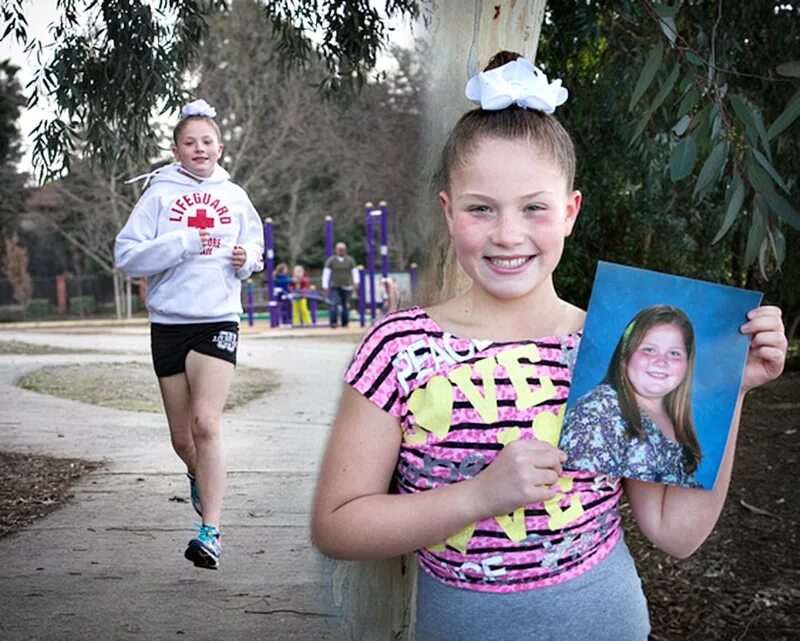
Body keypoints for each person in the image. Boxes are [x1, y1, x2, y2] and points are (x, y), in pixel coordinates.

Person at [310, 52, 787, 640]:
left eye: (534, 208)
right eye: (480, 208)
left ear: (570, 211)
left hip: (606, 622)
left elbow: (674, 531)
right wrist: (480, 495)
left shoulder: (610, 345)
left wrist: (727, 388)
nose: (508, 234)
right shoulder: (399, 349)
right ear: (448, 212)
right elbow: (337, 525)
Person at [115, 98, 264, 570]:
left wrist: (248, 260)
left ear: (220, 146)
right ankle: (200, 478)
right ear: (176, 150)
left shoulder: (235, 195)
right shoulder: (159, 195)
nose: (199, 148)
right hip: (169, 324)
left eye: (207, 141)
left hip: (218, 318)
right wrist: (180, 242)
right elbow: (126, 257)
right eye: (189, 142)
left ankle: (210, 532)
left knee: (206, 423)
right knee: (182, 439)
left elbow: (256, 243)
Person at [560, 305, 703, 488]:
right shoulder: (599, 413)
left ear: (687, 363)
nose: (661, 361)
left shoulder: (671, 416)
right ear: (625, 355)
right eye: (649, 350)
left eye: (674, 353)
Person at [322, 242, 359, 327]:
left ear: (345, 250)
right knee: (334, 304)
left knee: (345, 305)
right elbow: (326, 273)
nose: (341, 251)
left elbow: (355, 272)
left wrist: (356, 282)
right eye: (339, 250)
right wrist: (325, 285)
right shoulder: (331, 260)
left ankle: (345, 323)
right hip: (335, 286)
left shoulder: (350, 260)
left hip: (347, 286)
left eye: (343, 250)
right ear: (336, 250)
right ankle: (333, 322)